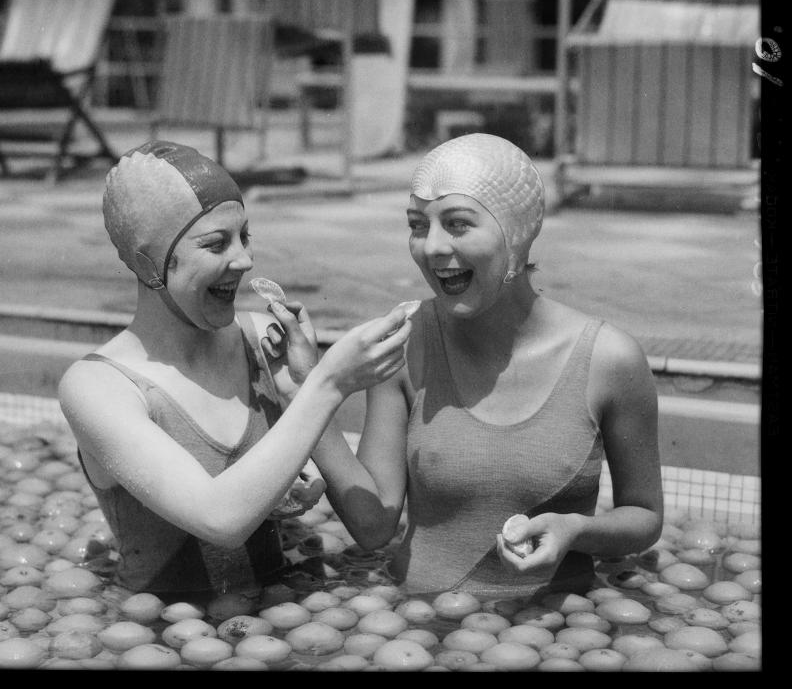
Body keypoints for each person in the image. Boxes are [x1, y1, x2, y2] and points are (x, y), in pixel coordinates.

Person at [281, 133, 664, 601]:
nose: (432, 247)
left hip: (554, 631)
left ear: (516, 231)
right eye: (418, 225)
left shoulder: (609, 360)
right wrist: (308, 385)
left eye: (458, 224)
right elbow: (373, 525)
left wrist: (576, 531)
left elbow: (643, 515)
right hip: (414, 624)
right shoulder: (404, 345)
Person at [58, 140, 412, 601]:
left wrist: (301, 388)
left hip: (280, 622)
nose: (244, 260)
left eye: (245, 235)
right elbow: (220, 519)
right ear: (148, 265)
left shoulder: (264, 343)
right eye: (216, 244)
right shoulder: (97, 386)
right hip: (163, 636)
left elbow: (374, 526)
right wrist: (327, 386)